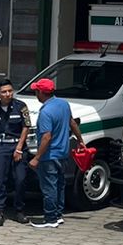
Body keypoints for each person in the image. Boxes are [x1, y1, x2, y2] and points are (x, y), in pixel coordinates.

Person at [27, 78, 82, 229]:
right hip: (63, 153)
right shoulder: (64, 104)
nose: (35, 94)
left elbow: (46, 137)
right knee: (59, 185)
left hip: (49, 156)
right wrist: (80, 140)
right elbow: (72, 123)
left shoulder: (45, 112)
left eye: (36, 91)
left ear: (41, 93)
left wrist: (37, 158)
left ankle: (50, 218)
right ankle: (58, 215)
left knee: (49, 187)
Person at [0, 79, 32, 227]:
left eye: (10, 90)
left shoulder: (20, 106)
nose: (8, 94)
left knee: (20, 179)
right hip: (0, 146)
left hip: (17, 145)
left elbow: (26, 127)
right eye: (4, 92)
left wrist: (19, 148)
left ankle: (20, 210)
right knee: (0, 180)